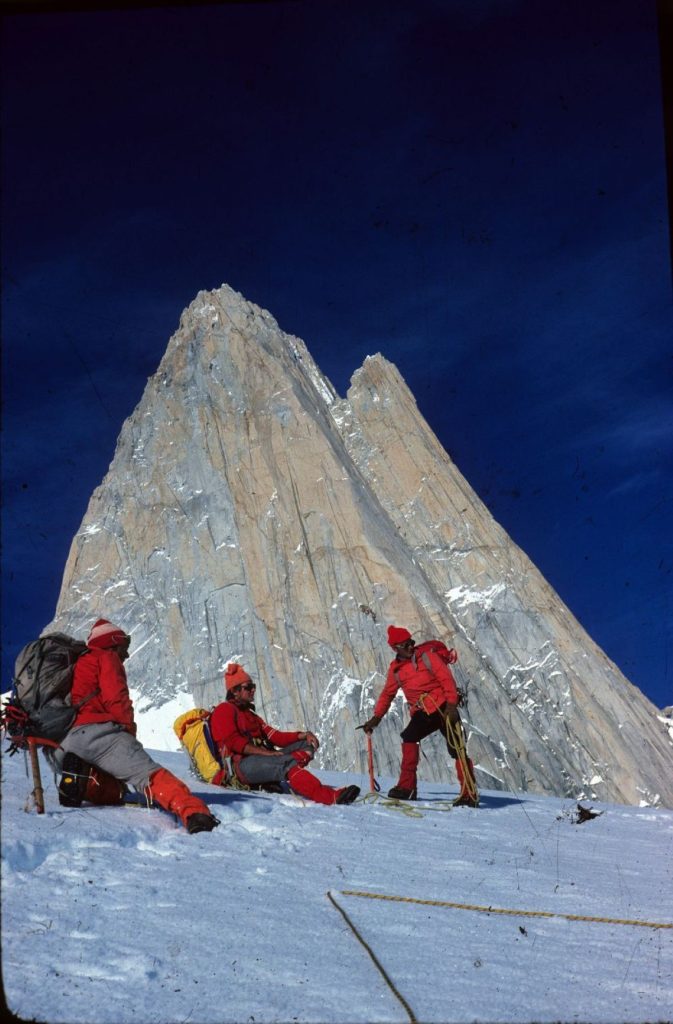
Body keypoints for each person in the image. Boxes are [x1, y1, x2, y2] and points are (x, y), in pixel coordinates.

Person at [55, 619, 219, 834]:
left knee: (115, 790)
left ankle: (82, 782)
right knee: (150, 776)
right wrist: (128, 733)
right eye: (125, 647)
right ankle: (194, 813)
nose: (127, 655)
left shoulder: (80, 663)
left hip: (67, 740)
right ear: (113, 643)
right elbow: (117, 698)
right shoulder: (106, 657)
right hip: (100, 734)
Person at [209, 663, 360, 805]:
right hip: (241, 768)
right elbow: (233, 742)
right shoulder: (224, 710)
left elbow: (275, 737)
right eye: (248, 687)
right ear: (235, 691)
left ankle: (270, 777)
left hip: (260, 759)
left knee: (307, 744)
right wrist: (266, 754)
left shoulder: (250, 715)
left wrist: (302, 735)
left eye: (253, 686)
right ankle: (329, 797)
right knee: (286, 764)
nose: (253, 690)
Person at [362, 625, 479, 806]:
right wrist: (376, 718)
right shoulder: (396, 670)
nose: (411, 647)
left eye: (411, 643)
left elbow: (446, 679)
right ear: (396, 648)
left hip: (443, 706)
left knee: (457, 747)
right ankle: (407, 787)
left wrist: (452, 706)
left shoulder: (428, 657)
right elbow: (387, 694)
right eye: (406, 645)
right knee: (409, 736)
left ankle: (468, 792)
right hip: (424, 711)